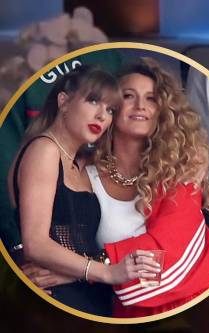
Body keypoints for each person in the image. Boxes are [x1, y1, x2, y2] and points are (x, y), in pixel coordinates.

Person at [27, 58, 209, 318]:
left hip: (193, 306)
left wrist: (84, 270)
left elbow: (167, 248)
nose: (140, 105)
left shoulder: (182, 169)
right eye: (129, 96)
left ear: (163, 111)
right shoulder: (82, 171)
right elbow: (51, 235)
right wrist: (46, 269)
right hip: (119, 316)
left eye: (151, 98)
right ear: (111, 108)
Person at [9, 64, 160, 317]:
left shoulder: (81, 161)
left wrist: (81, 272)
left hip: (89, 297)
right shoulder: (45, 150)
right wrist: (107, 272)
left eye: (110, 109)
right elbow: (35, 243)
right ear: (64, 101)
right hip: (57, 302)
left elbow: (80, 245)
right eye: (93, 101)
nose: (102, 116)